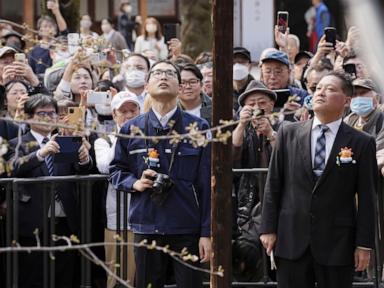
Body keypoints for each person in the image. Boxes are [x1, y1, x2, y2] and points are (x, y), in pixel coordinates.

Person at [260, 71, 376, 288]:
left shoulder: (361, 142)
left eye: (330, 89)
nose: (321, 93)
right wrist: (268, 228)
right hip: (292, 237)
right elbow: (273, 183)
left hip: (337, 242)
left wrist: (364, 244)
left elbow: (368, 196)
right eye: (318, 88)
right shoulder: (288, 133)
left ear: (346, 101)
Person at [110, 60, 211, 288]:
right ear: (146, 85)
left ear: (180, 86)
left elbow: (207, 184)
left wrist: (207, 233)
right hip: (146, 224)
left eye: (169, 73)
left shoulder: (199, 128)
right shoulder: (131, 128)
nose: (163, 77)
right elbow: (116, 169)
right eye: (157, 73)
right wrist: (134, 183)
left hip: (186, 226)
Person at [8, 94, 92, 288]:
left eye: (52, 113)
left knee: (64, 275)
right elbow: (12, 167)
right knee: (33, 276)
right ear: (29, 117)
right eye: (41, 113)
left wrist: (84, 158)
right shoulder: (16, 143)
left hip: (64, 220)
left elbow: (82, 170)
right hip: (33, 221)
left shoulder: (65, 140)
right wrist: (40, 154)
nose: (48, 117)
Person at [94, 91, 140, 288]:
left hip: (148, 215)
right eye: (123, 111)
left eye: (133, 110)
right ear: (114, 115)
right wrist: (123, 136)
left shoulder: (150, 136)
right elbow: (104, 166)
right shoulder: (103, 140)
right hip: (119, 219)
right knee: (118, 277)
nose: (129, 115)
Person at [233, 47, 254, 112]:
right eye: (233, 63)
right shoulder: (221, 90)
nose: (237, 66)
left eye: (242, 62)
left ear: (250, 66)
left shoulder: (256, 89)